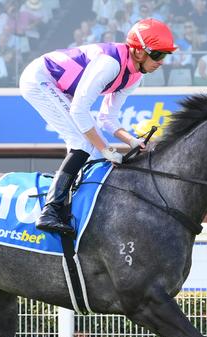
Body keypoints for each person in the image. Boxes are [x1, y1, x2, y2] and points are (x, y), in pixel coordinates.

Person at [19, 18, 174, 236]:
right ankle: (50, 211)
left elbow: (106, 117)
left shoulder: (136, 77)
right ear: (139, 52)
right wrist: (107, 149)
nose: (161, 61)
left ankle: (68, 207)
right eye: (158, 54)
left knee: (90, 146)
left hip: (60, 88)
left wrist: (130, 141)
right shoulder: (109, 64)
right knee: (84, 143)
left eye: (166, 55)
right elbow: (79, 111)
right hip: (39, 79)